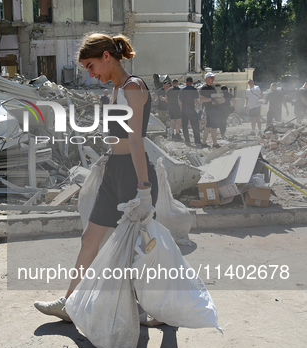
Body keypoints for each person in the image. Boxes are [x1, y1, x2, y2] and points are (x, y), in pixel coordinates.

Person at [33, 33, 160, 326]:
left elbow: (137, 142)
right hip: (115, 169)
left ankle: (149, 307)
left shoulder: (133, 87)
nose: (90, 74)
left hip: (133, 173)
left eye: (91, 66)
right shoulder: (116, 90)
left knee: (136, 247)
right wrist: (108, 156)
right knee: (90, 238)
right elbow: (119, 137)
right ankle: (70, 303)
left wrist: (143, 189)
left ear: (106, 56)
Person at [199, 72, 223, 149]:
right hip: (210, 109)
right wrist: (211, 99)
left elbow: (215, 96)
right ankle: (214, 144)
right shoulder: (204, 88)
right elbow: (202, 98)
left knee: (210, 126)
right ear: (207, 79)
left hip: (214, 109)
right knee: (212, 127)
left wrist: (219, 98)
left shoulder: (212, 87)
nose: (213, 79)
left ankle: (205, 143)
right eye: (211, 78)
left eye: (213, 78)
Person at [178, 77, 202, 145]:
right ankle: (197, 140)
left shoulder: (182, 90)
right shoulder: (194, 90)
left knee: (184, 126)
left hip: (184, 110)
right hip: (192, 110)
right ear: (192, 83)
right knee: (195, 125)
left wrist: (181, 109)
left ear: (186, 82)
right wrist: (199, 106)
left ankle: (187, 140)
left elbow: (179, 100)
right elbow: (195, 101)